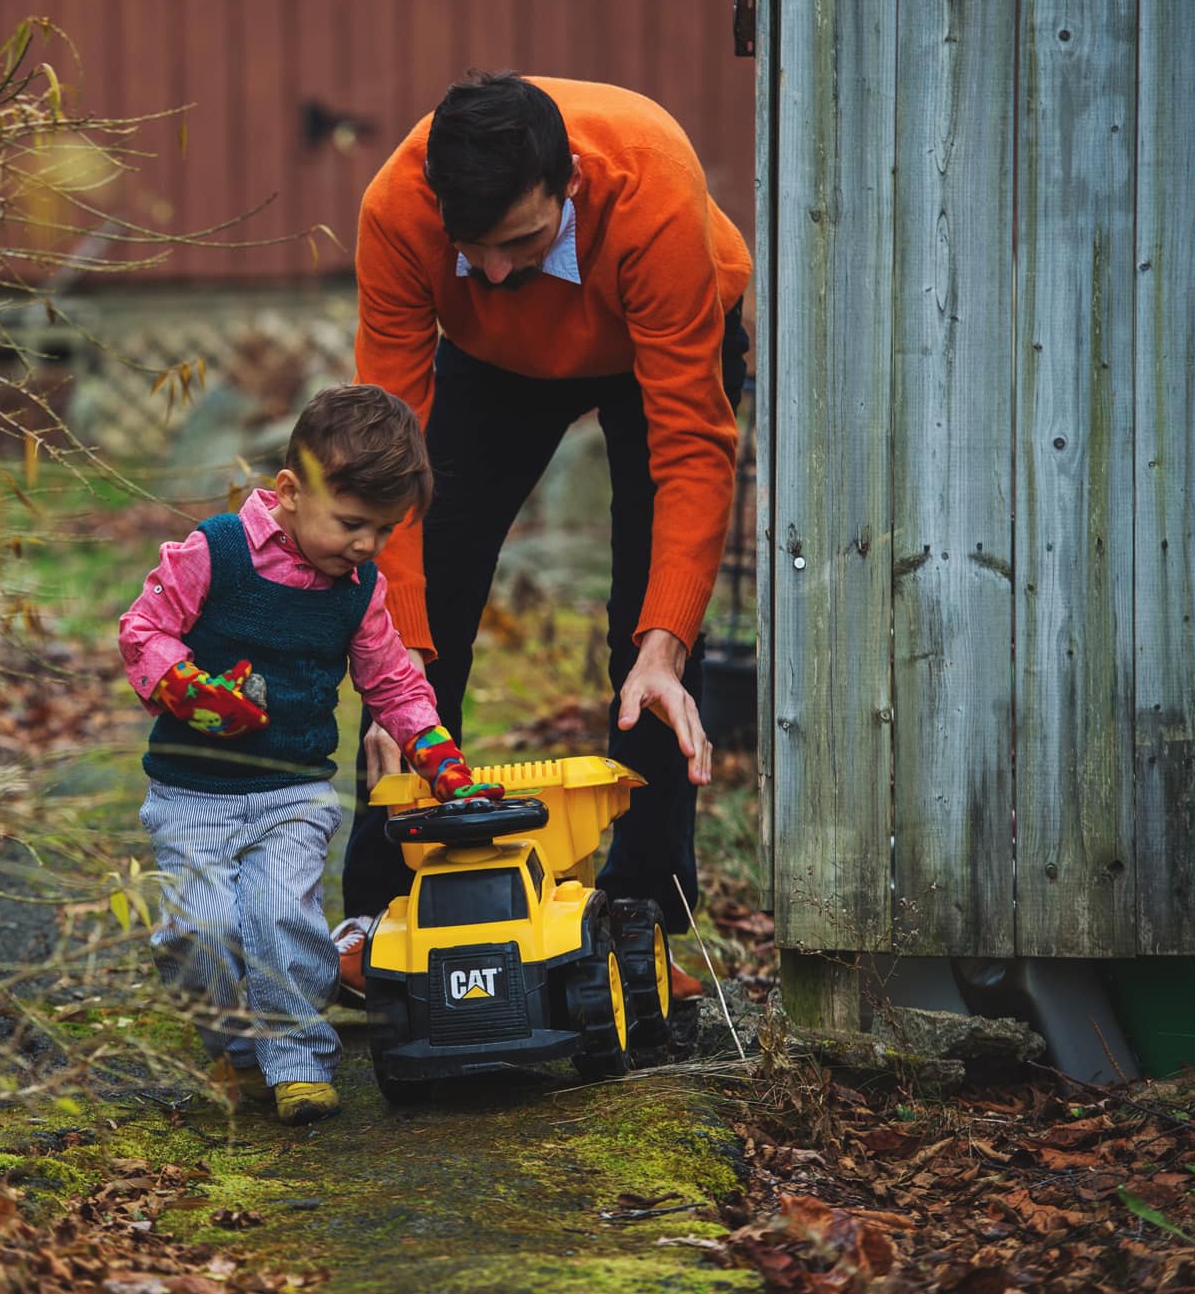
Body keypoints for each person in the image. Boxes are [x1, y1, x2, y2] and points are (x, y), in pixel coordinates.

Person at [337, 73, 752, 1002]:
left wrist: (665, 643)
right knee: (423, 591)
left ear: (568, 183)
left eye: (517, 242)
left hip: (658, 334)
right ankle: (378, 910)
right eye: (468, 250)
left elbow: (692, 444)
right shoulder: (399, 211)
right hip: (493, 365)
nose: (490, 272)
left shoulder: (651, 194)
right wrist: (396, 657)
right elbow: (387, 456)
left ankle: (642, 921)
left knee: (643, 632)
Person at [118, 384, 501, 1126]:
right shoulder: (215, 553)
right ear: (291, 492)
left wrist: (438, 756)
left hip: (292, 794)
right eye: (352, 523)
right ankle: (235, 1048)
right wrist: (187, 688)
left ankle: (297, 1060)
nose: (366, 546)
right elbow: (143, 629)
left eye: (383, 532)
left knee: (279, 917)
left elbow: (393, 681)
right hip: (192, 792)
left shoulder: (357, 592)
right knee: (197, 930)